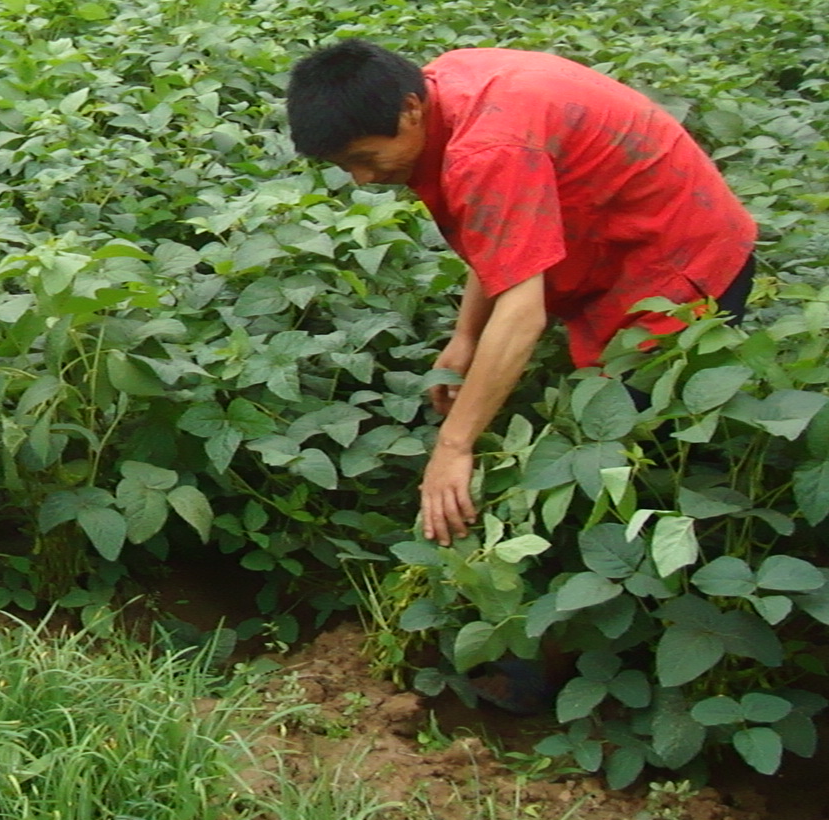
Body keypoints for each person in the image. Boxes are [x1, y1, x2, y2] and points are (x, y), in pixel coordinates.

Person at [285, 41, 757, 549]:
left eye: (365, 158)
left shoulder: (487, 148)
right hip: (626, 240)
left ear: (410, 109)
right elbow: (500, 234)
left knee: (639, 448)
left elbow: (522, 313)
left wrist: (454, 446)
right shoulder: (445, 83)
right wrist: (466, 336)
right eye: (345, 166)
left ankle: (696, 542)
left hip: (684, 265)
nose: (363, 178)